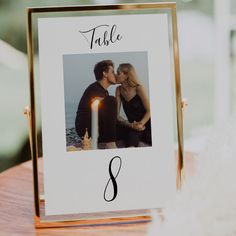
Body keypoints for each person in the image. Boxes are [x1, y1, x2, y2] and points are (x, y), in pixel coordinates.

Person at [75, 60, 117, 149]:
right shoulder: (93, 89)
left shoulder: (105, 92)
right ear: (105, 74)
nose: (115, 74)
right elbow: (94, 104)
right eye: (112, 72)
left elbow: (109, 117)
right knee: (112, 100)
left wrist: (131, 125)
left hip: (99, 127)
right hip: (87, 130)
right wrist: (105, 100)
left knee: (131, 131)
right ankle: (110, 143)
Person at [116, 63, 152, 147]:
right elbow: (116, 115)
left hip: (145, 123)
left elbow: (149, 111)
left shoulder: (139, 88)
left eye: (118, 73)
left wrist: (140, 124)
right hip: (131, 125)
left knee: (133, 137)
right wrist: (130, 125)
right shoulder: (118, 90)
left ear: (126, 75)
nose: (115, 75)